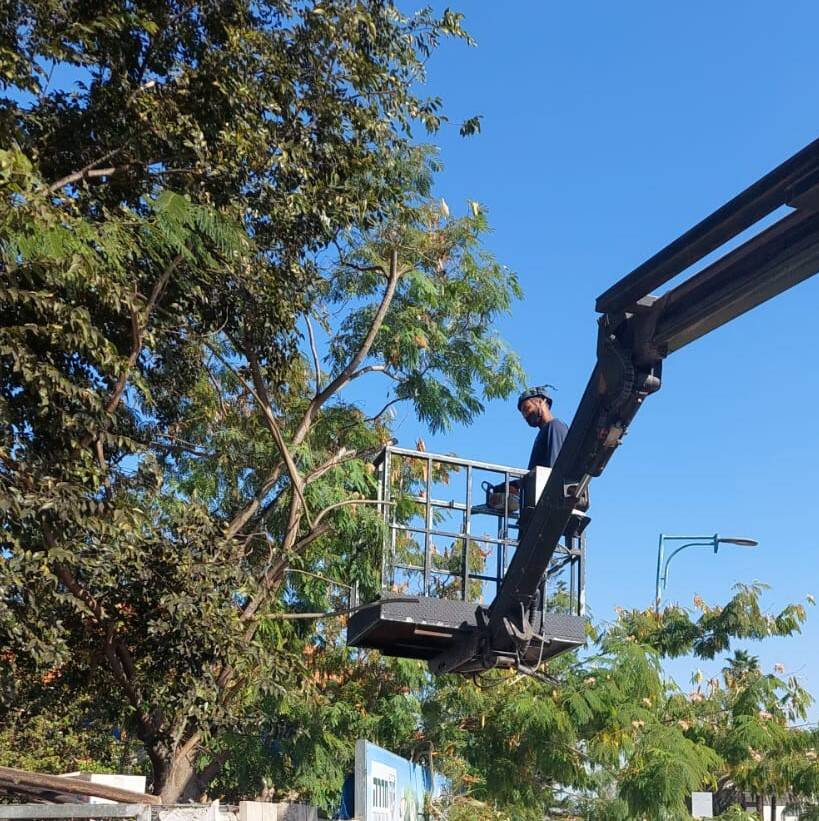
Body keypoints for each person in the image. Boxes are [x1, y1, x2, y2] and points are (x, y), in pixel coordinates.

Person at [518, 385, 568, 469]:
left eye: (527, 409)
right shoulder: (542, 434)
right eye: (523, 414)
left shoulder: (555, 426)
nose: (526, 416)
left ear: (541, 402)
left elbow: (555, 469)